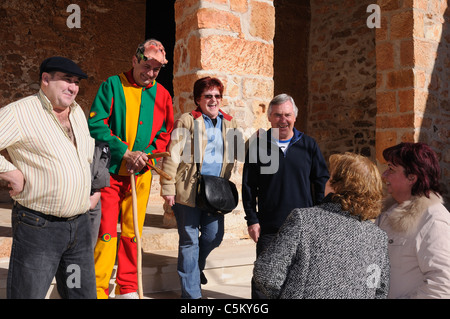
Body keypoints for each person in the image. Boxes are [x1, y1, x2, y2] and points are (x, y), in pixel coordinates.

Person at [0, 56, 96, 299]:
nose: (73, 87)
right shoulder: (20, 113)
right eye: (66, 80)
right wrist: (9, 171)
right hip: (39, 228)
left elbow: (85, 157)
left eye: (76, 82)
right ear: (45, 80)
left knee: (80, 295)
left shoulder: (77, 113)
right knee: (28, 295)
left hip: (79, 227)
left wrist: (93, 189)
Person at [88, 39, 174, 299]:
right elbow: (96, 125)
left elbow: (164, 133)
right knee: (105, 232)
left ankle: (127, 287)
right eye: (146, 66)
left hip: (141, 174)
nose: (150, 74)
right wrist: (125, 152)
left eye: (156, 70)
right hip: (110, 172)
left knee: (133, 232)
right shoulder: (112, 85)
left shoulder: (163, 95)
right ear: (134, 60)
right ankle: (99, 288)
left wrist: (145, 156)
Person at [253, 152, 389, 298]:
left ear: (336, 186)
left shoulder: (304, 220)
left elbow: (267, 274)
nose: (325, 182)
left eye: (329, 178)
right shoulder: (378, 237)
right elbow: (379, 290)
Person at [160, 76, 242, 299]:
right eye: (208, 96)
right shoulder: (187, 121)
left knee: (213, 236)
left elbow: (240, 151)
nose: (213, 100)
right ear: (198, 99)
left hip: (216, 192)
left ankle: (195, 268)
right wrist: (168, 187)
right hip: (188, 190)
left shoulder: (230, 122)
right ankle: (192, 296)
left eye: (217, 96)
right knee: (189, 241)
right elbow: (172, 155)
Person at [242, 93, 329, 298]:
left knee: (298, 280)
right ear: (270, 118)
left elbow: (321, 182)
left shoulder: (309, 145)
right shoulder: (258, 146)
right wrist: (252, 220)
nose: (283, 120)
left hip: (303, 226)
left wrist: (321, 215)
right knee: (263, 280)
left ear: (295, 117)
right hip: (269, 227)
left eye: (287, 115)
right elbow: (248, 187)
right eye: (278, 115)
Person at [376, 142, 450, 298]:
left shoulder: (433, 220)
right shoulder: (386, 214)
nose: (384, 175)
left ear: (412, 177)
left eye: (391, 169)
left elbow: (443, 285)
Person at [88, 141, 111, 249]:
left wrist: (96, 188)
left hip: (92, 192)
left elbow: (104, 156)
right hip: (65, 193)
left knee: (87, 247)